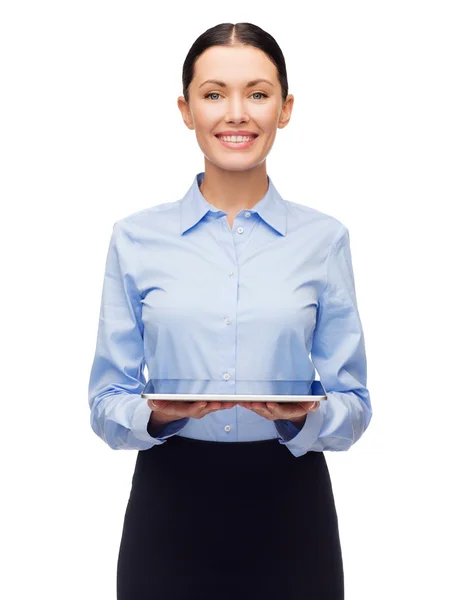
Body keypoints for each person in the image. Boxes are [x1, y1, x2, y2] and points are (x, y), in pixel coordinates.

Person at [88, 21, 372, 600]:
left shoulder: (324, 239)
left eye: (258, 93)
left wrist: (302, 416)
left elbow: (355, 404)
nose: (236, 113)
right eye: (214, 93)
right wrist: (158, 415)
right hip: (169, 509)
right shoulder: (134, 239)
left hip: (292, 511)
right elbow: (105, 400)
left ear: (285, 109)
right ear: (186, 109)